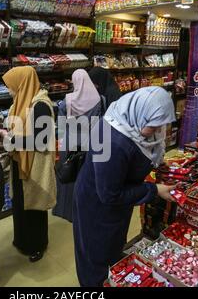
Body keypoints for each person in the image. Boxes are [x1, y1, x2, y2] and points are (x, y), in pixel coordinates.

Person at [73, 86, 176, 287]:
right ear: (140, 111)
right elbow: (109, 195)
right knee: (96, 255)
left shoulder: (128, 118)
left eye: (159, 127)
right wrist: (154, 190)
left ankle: (112, 277)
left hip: (115, 200)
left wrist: (158, 164)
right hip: (98, 206)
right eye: (152, 126)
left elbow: (141, 151)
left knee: (112, 247)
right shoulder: (113, 142)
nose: (154, 132)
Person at [2, 66, 56, 262]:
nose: (8, 90)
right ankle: (22, 240)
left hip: (35, 166)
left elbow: (41, 140)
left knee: (34, 207)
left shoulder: (40, 105)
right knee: (20, 205)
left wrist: (12, 141)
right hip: (21, 161)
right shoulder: (21, 101)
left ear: (22, 84)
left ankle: (37, 245)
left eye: (10, 86)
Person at [52, 69, 104, 223]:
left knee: (68, 174)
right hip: (90, 142)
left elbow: (61, 127)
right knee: (86, 177)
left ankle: (66, 210)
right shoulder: (98, 99)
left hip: (70, 142)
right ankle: (85, 210)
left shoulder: (68, 100)